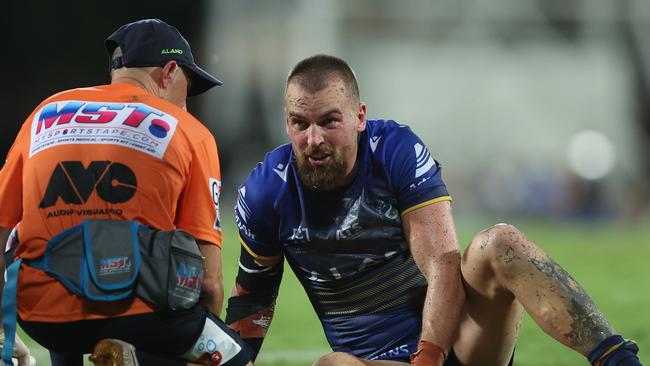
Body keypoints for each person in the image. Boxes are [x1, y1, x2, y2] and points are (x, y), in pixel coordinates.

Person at [224, 54, 643, 366]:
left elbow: (443, 264)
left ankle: (619, 361)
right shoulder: (266, 192)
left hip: (455, 344)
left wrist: (430, 355)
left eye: (330, 121)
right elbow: (252, 300)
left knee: (500, 242)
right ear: (287, 124)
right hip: (377, 362)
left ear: (359, 117)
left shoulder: (395, 150)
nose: (314, 138)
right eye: (301, 123)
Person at [0, 19, 252, 366]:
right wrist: (195, 344)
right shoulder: (191, 132)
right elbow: (209, 282)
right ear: (169, 72)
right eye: (188, 87)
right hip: (137, 313)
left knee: (68, 253)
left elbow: (2, 229)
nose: (187, 103)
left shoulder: (46, 112)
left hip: (42, 315)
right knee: (234, 359)